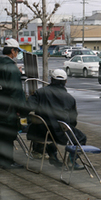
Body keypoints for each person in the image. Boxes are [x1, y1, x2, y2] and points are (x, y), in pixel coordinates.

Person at [27, 69, 87, 170]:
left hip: (39, 132)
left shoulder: (40, 92)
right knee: (81, 137)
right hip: (59, 134)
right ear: (66, 82)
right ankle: (72, 161)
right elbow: (73, 121)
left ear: (51, 79)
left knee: (50, 133)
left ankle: (52, 154)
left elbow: (28, 106)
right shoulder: (69, 98)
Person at [0, 38, 26, 169]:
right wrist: (22, 110)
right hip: (8, 108)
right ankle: (7, 161)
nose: (17, 54)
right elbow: (16, 92)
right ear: (12, 51)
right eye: (17, 51)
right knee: (8, 134)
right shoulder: (12, 68)